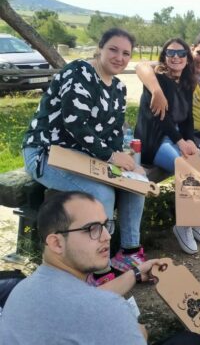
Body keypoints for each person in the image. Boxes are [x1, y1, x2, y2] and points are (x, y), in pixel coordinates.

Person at [22, 28, 147, 285]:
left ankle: (129, 253)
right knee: (103, 195)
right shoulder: (78, 71)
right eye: (113, 49)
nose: (119, 57)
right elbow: (74, 123)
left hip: (84, 157)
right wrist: (111, 157)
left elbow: (113, 135)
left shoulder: (119, 89)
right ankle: (97, 269)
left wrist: (129, 164)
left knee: (136, 185)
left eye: (126, 53)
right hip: (47, 154)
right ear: (100, 48)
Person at [0, 191, 200, 345]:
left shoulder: (22, 290)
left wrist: (135, 273)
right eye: (93, 229)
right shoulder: (107, 310)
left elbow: (85, 299)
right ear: (56, 243)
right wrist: (139, 333)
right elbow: (96, 305)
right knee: (191, 342)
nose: (107, 237)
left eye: (105, 225)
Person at [136, 31, 200, 253]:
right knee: (190, 172)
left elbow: (187, 118)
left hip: (174, 137)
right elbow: (163, 120)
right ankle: (183, 226)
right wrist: (181, 142)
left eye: (181, 53)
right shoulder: (158, 79)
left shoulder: (187, 81)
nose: (176, 57)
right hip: (155, 140)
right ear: (165, 55)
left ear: (186, 57)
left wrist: (189, 141)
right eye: (171, 52)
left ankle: (195, 218)